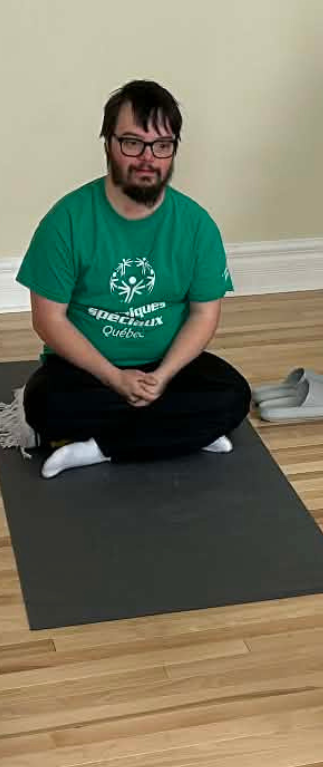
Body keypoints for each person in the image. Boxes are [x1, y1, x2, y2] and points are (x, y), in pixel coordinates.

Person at [13, 80, 249, 479]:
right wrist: (116, 378)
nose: (147, 158)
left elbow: (204, 314)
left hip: (166, 366)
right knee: (44, 404)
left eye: (162, 145)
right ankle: (186, 432)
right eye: (132, 143)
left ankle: (99, 447)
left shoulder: (196, 224)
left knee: (233, 395)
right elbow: (48, 320)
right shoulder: (66, 220)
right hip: (89, 370)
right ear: (108, 143)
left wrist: (163, 376)